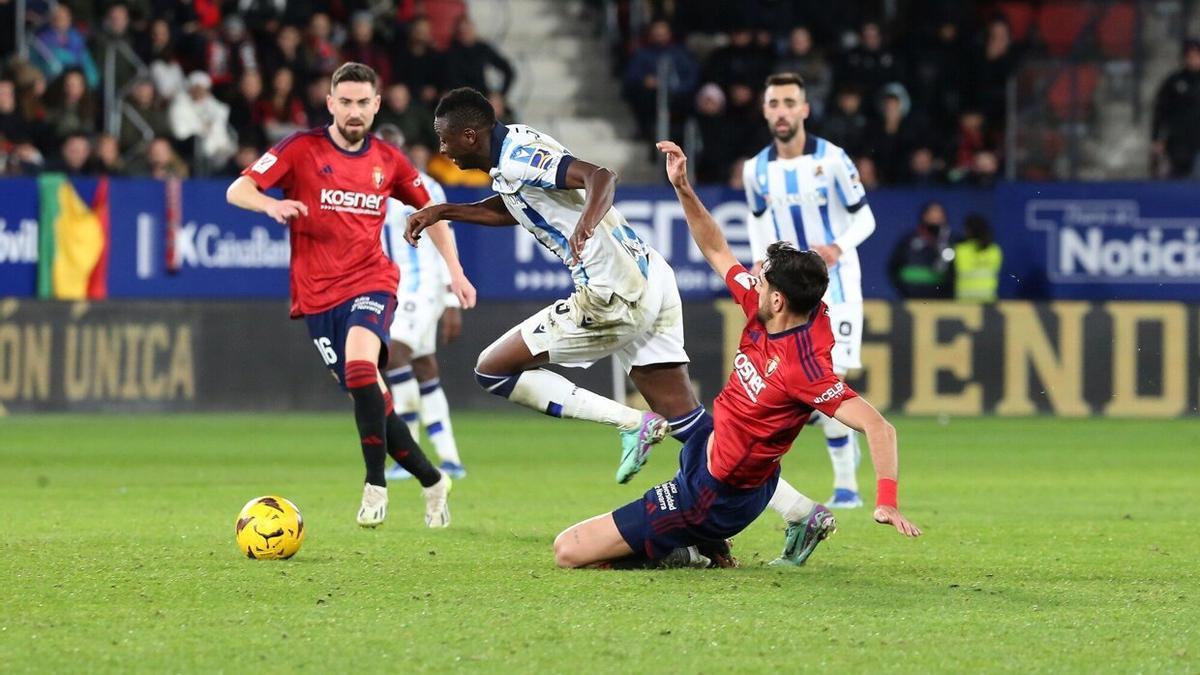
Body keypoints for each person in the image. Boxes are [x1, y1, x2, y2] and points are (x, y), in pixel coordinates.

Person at [408, 88, 823, 548]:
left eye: (445, 140)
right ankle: (802, 513)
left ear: (470, 135)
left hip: (613, 293)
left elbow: (600, 176)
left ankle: (631, 423)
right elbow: (518, 207)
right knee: (690, 425)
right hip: (650, 275)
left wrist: (586, 223)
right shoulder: (514, 152)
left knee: (492, 368)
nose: (441, 149)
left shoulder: (520, 155)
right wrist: (442, 211)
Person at [552, 141, 922, 570]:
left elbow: (879, 426)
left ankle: (688, 550)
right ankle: (740, 532)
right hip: (712, 455)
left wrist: (887, 501)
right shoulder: (773, 307)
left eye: (761, 281)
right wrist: (683, 187)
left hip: (714, 497)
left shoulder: (805, 369)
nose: (751, 282)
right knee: (691, 430)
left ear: (779, 300)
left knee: (569, 551)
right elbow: (715, 248)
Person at [225, 62, 474, 528]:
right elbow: (238, 189)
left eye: (363, 102)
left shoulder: (388, 160)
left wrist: (455, 273)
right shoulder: (300, 149)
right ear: (331, 104)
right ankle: (433, 480)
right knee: (370, 397)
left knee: (362, 369)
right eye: (346, 102)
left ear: (376, 105)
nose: (355, 111)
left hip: (372, 281)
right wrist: (271, 202)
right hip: (317, 298)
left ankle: (375, 485)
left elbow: (432, 212)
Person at [743, 73, 879, 510]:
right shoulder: (756, 170)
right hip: (789, 296)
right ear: (765, 111)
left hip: (836, 288)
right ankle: (841, 454)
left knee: (827, 383)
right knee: (799, 390)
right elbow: (758, 224)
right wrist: (760, 266)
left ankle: (847, 487)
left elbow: (866, 218)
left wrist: (838, 246)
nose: (782, 110)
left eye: (789, 102)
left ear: (804, 109)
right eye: (774, 103)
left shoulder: (834, 160)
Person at [380, 159, 468, 480]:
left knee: (394, 355)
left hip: (422, 287)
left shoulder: (425, 185)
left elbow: (446, 235)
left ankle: (408, 454)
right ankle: (450, 459)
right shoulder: (371, 186)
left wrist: (449, 298)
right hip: (398, 289)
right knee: (424, 367)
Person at [1151, 39, 1200, 178]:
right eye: (1191, 56)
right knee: (1179, 183)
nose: (1195, 60)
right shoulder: (1174, 81)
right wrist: (1156, 138)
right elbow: (1160, 110)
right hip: (1179, 144)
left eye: (1197, 56)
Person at [888, 201, 955, 299]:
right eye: (932, 214)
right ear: (924, 216)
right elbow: (893, 268)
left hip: (942, 300)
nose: (935, 218)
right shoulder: (909, 240)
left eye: (939, 214)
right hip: (911, 298)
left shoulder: (951, 241)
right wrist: (904, 291)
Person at [953, 213, 1002, 302]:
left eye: (965, 229)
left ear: (969, 230)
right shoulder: (994, 250)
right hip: (987, 301)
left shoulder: (960, 250)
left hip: (965, 302)